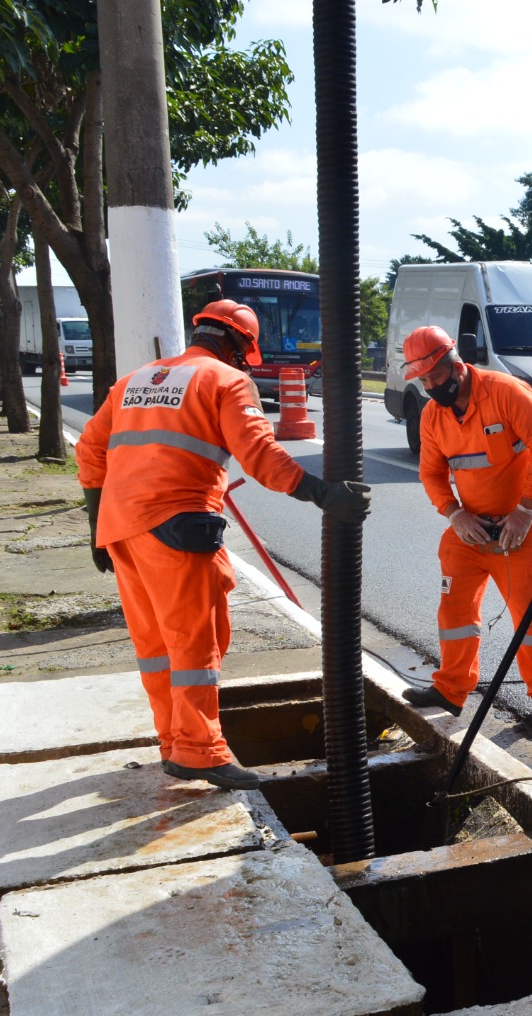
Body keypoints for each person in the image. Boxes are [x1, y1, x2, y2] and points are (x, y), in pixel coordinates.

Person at [76, 299, 371, 790]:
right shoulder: (226, 381)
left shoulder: (134, 381)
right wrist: (324, 494)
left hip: (120, 529)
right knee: (196, 641)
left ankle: (173, 741)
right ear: (238, 345)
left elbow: (90, 450)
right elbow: (260, 456)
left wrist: (95, 527)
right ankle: (199, 751)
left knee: (155, 645)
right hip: (176, 527)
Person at [400, 324, 532, 725]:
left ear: (456, 366)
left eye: (436, 377)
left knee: (530, 614)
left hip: (519, 527)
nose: (430, 386)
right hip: (469, 529)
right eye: (423, 380)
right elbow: (431, 473)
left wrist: (525, 511)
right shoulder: (433, 417)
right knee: (453, 608)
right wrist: (454, 513)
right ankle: (450, 690)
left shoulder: (506, 393)